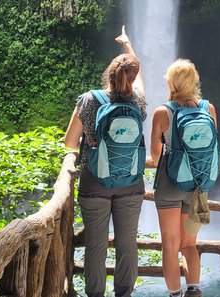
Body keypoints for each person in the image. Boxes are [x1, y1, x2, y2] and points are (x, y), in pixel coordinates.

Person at [64, 26, 147, 297]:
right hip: (130, 184)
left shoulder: (88, 100)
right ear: (131, 78)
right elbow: (138, 78)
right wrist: (128, 46)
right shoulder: (138, 103)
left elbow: (69, 142)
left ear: (109, 74)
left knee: (96, 247)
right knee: (127, 245)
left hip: (94, 182)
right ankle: (124, 294)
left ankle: (95, 295)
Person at [150, 59, 218, 297]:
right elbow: (211, 148)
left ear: (170, 81)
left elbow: (155, 154)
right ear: (194, 81)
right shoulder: (208, 108)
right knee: (189, 244)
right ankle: (194, 290)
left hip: (170, 182)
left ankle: (175, 294)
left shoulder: (162, 112)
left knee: (169, 245)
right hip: (197, 184)